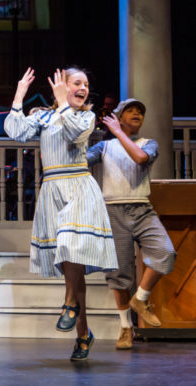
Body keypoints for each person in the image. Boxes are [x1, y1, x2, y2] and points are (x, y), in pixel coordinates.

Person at [4, 67, 118, 361]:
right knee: (71, 264)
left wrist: (64, 103)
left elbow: (76, 134)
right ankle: (83, 332)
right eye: (77, 82)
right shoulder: (42, 115)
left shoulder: (85, 117)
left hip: (78, 186)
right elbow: (16, 133)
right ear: (62, 85)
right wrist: (19, 94)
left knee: (69, 244)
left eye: (86, 84)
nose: (83, 88)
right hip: (53, 189)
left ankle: (69, 303)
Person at [87, 98, 176, 350]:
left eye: (140, 112)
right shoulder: (104, 146)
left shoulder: (149, 144)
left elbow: (139, 158)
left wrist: (117, 132)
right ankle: (126, 327)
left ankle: (141, 298)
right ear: (118, 116)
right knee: (119, 275)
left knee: (165, 252)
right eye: (131, 110)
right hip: (113, 211)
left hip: (141, 209)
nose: (137, 114)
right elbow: (80, 162)